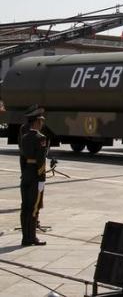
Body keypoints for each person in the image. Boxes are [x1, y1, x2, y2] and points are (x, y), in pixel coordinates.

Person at [19, 105, 48, 246]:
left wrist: (24, 173)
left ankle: (25, 237)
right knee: (34, 207)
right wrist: (42, 178)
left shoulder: (24, 137)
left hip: (25, 174)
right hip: (36, 176)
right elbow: (41, 161)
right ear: (36, 122)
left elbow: (22, 159)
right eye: (41, 121)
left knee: (25, 207)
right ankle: (32, 238)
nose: (42, 123)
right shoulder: (40, 138)